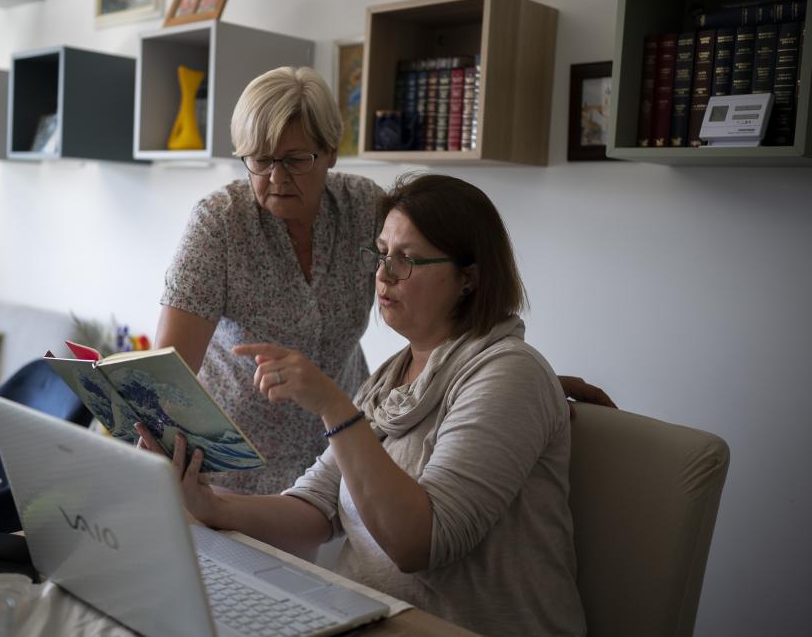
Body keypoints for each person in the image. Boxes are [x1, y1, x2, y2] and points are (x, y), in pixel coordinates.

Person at [139, 173, 587, 635]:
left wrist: (335, 407)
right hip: (364, 616)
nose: (383, 275)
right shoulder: (392, 376)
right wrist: (209, 505)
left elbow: (421, 545)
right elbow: (314, 510)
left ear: (468, 278)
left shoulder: (510, 374)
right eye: (381, 253)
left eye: (408, 259)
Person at [156, 66, 613, 495]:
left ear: (331, 151)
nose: (276, 177)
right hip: (231, 466)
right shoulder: (219, 223)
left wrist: (518, 381)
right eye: (259, 160)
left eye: (295, 160)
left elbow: (440, 316)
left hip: (340, 452)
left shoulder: (365, 209)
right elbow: (167, 373)